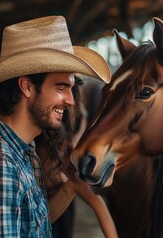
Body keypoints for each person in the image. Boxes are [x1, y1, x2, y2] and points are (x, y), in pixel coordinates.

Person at [0, 15, 113, 237]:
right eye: (61, 88)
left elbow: (32, 226)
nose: (71, 101)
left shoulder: (25, 153)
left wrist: (71, 185)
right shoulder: (4, 164)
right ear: (27, 87)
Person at [35, 77, 118, 238]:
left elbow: (98, 204)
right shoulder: (31, 147)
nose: (70, 101)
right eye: (61, 88)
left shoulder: (65, 153)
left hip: (55, 218)